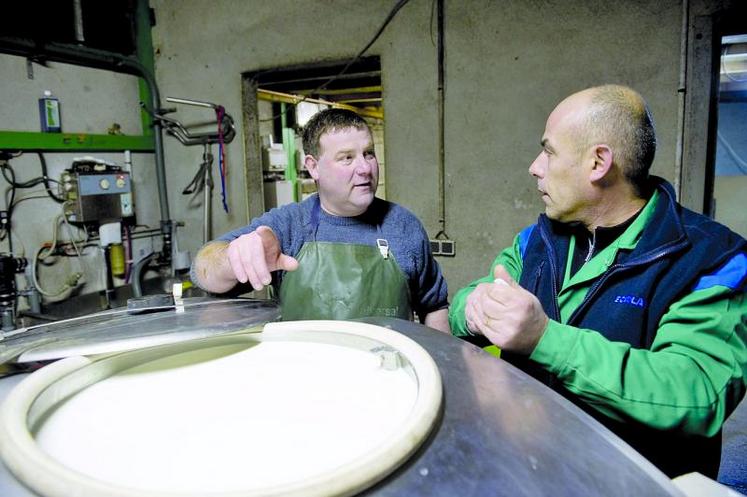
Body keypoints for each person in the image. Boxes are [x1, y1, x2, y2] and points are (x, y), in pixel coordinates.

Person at [448, 85, 747, 478]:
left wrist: (543, 339)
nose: (535, 166)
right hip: (531, 468)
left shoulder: (712, 260)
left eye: (549, 151)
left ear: (598, 162)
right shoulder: (536, 240)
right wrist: (475, 310)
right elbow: (463, 306)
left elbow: (696, 392)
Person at [192, 108, 449, 331]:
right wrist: (232, 258)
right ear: (313, 167)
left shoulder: (403, 226)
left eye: (368, 153)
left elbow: (434, 306)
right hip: (306, 378)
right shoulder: (289, 226)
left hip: (391, 378)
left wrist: (443, 366)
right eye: (347, 157)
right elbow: (203, 271)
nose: (365, 168)